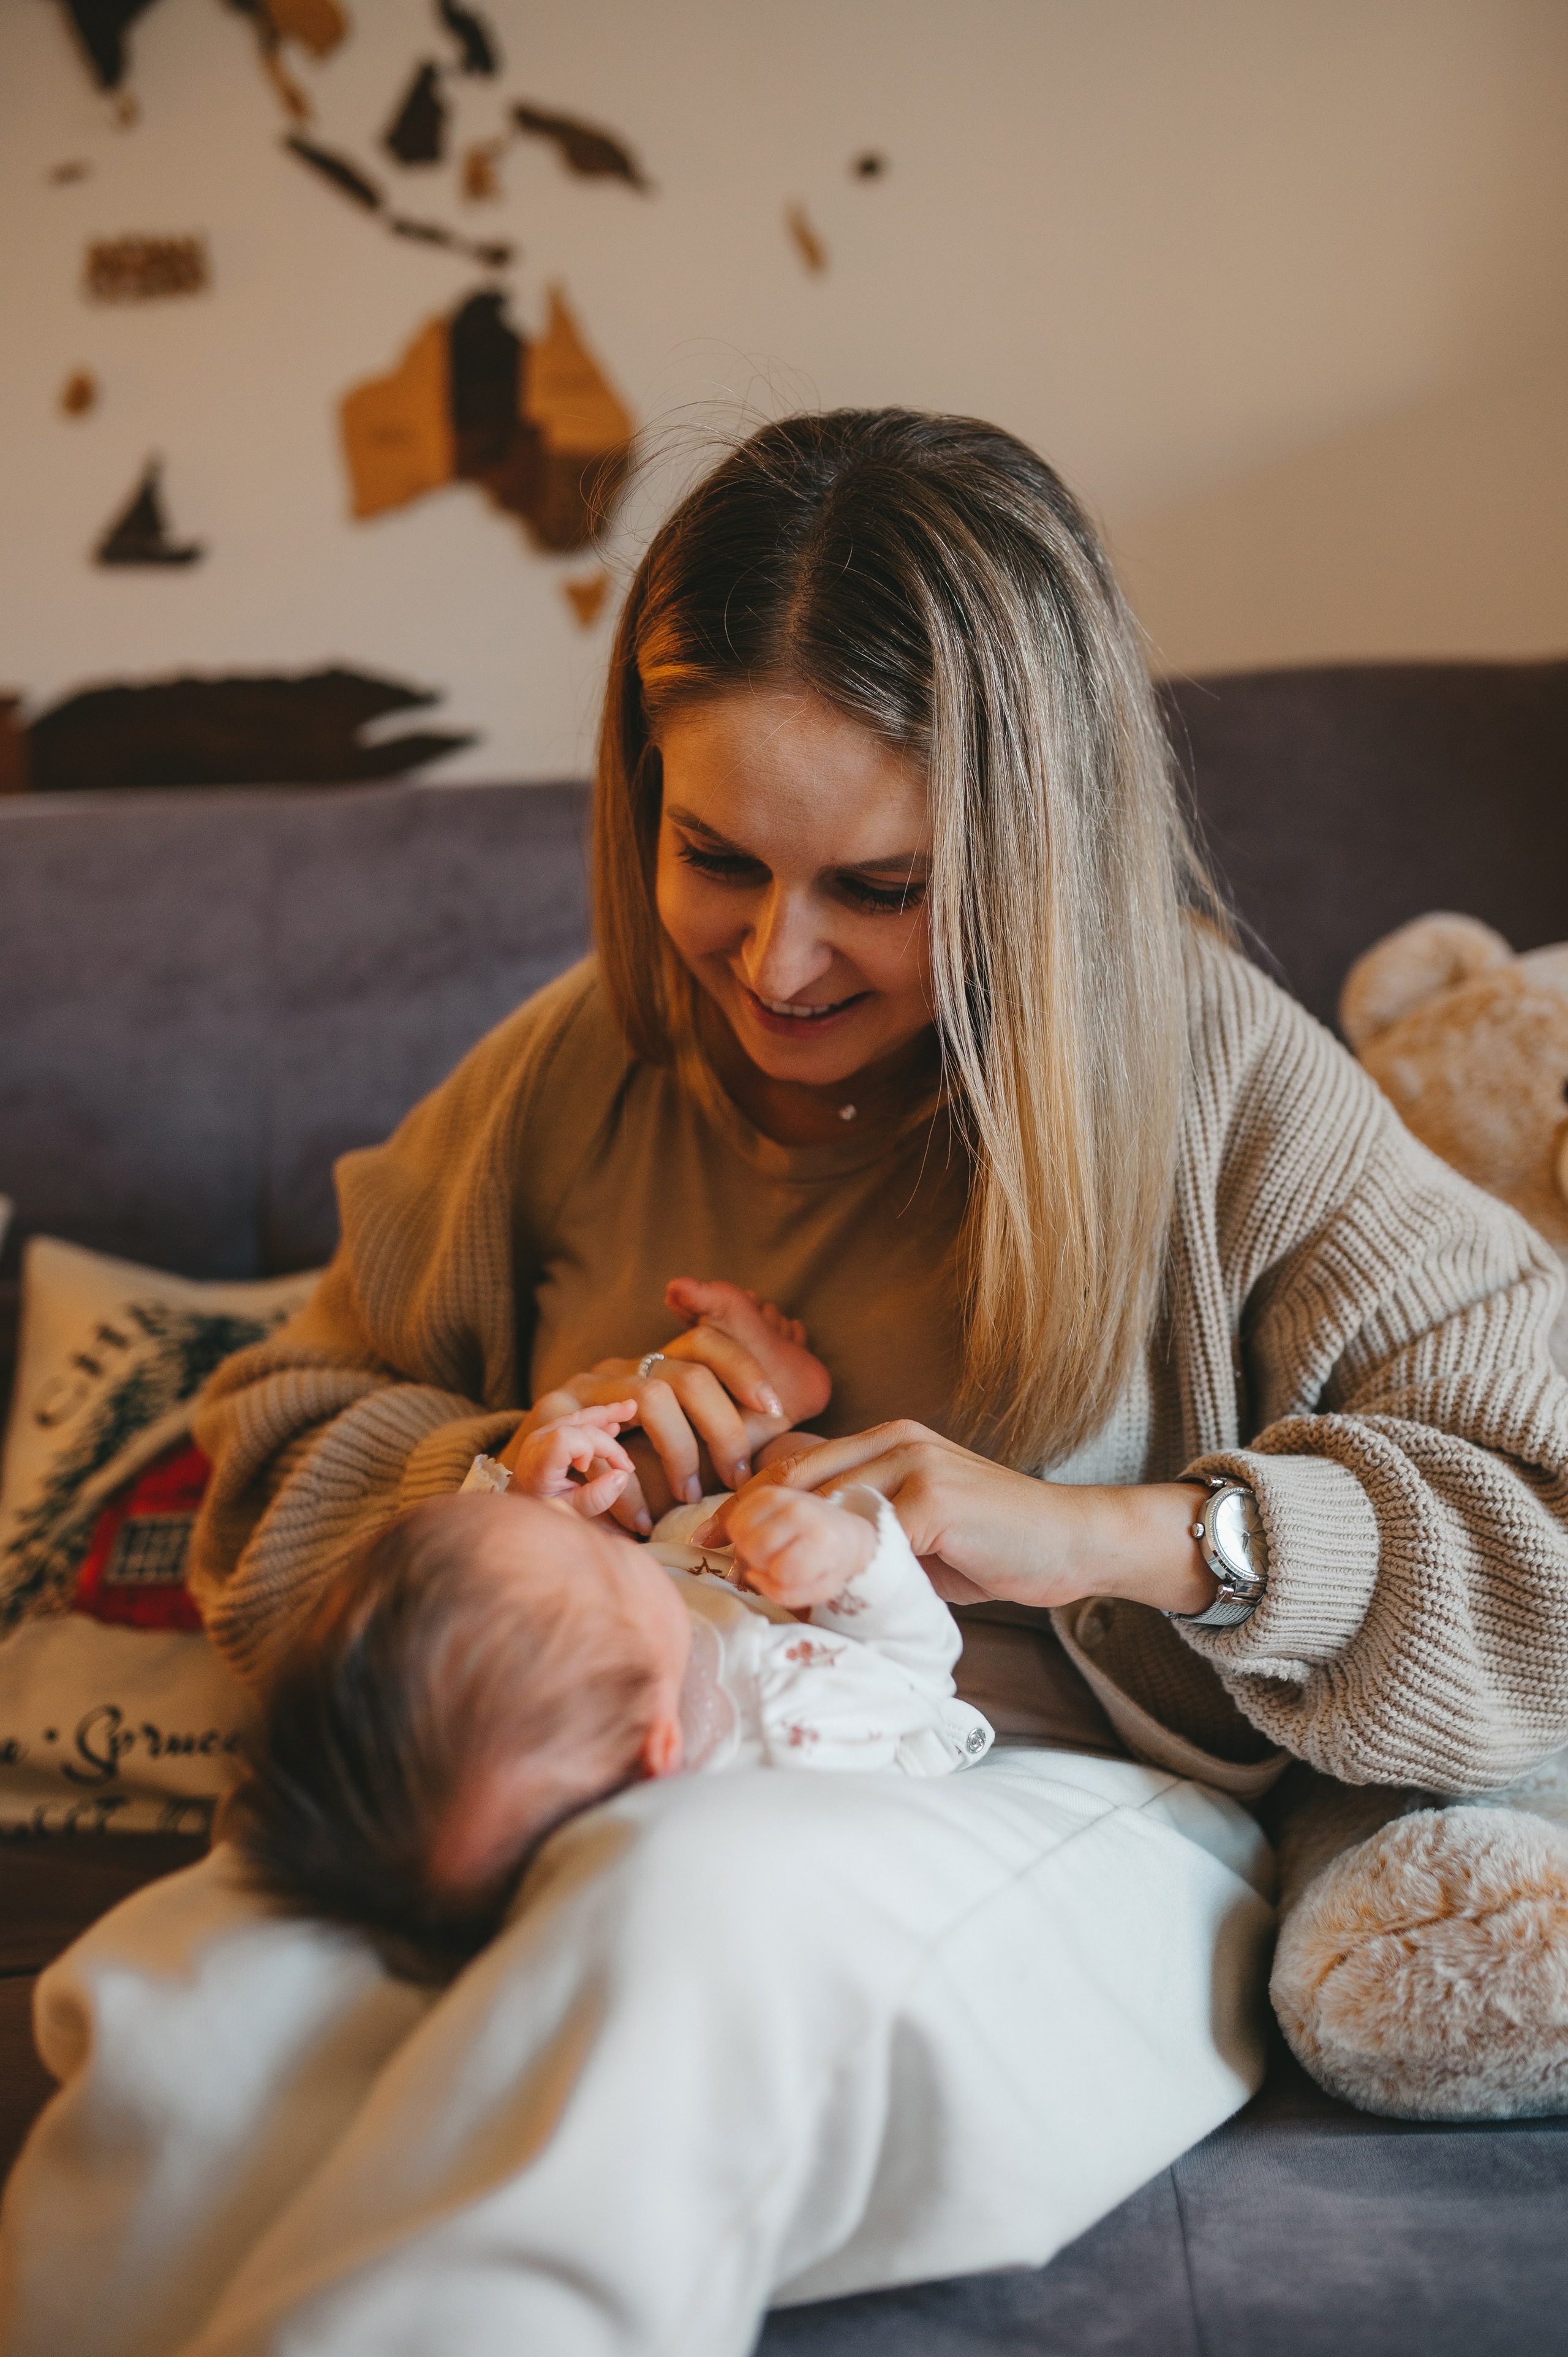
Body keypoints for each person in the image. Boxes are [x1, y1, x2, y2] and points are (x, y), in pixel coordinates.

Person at [4, 408, 1566, 2357]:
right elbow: (270, 1454)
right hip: (573, 1775)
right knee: (202, 1999)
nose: (777, 963)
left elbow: (1542, 1522)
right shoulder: (572, 1073)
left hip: (1016, 1803)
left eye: (884, 888)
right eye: (716, 857)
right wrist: (515, 1490)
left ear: (1036, 856)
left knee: (684, 1926)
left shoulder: (1219, 1081)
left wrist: (1108, 1534)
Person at [229, 1404, 994, 1969]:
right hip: (867, 1660)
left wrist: (524, 1507)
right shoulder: (795, 1728)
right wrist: (852, 1559)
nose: (598, 1540)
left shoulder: (608, 1682)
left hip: (725, 1525)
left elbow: (496, 1633)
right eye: (601, 1558)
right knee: (797, 1466)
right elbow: (918, 1671)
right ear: (659, 1747)